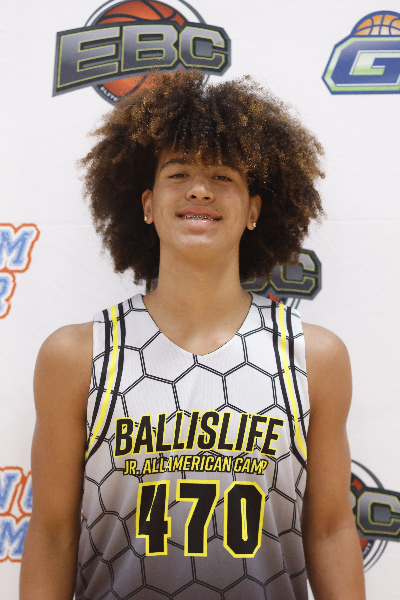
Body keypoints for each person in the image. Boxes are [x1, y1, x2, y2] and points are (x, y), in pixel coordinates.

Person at [20, 70, 365, 600]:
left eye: (223, 176)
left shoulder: (313, 356)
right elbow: (52, 533)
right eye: (178, 172)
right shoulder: (77, 356)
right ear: (147, 204)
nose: (200, 189)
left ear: (253, 210)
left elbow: (330, 528)